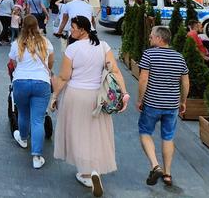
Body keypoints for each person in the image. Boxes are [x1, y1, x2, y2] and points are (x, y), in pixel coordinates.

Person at [52, 16, 129, 197]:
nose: (71, 31)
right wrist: (124, 94)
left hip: (76, 96)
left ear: (83, 30)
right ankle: (95, 169)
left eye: (73, 28)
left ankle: (86, 172)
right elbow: (115, 71)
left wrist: (54, 96)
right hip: (98, 97)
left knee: (79, 133)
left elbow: (64, 77)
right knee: (96, 134)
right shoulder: (103, 46)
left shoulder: (72, 49)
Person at [137, 26, 190, 187]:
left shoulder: (149, 54)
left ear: (160, 39)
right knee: (168, 137)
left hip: (152, 103)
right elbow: (186, 82)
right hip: (172, 105)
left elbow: (143, 79)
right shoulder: (179, 57)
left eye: (151, 36)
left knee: (145, 132)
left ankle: (155, 166)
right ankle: (167, 174)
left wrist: (140, 99)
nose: (149, 39)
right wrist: (183, 101)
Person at [9, 15, 54, 168]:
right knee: (37, 120)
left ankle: (22, 139)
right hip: (41, 82)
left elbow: (13, 63)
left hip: (21, 82)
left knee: (22, 113)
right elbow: (51, 63)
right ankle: (36, 157)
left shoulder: (17, 44)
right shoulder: (46, 43)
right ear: (37, 26)